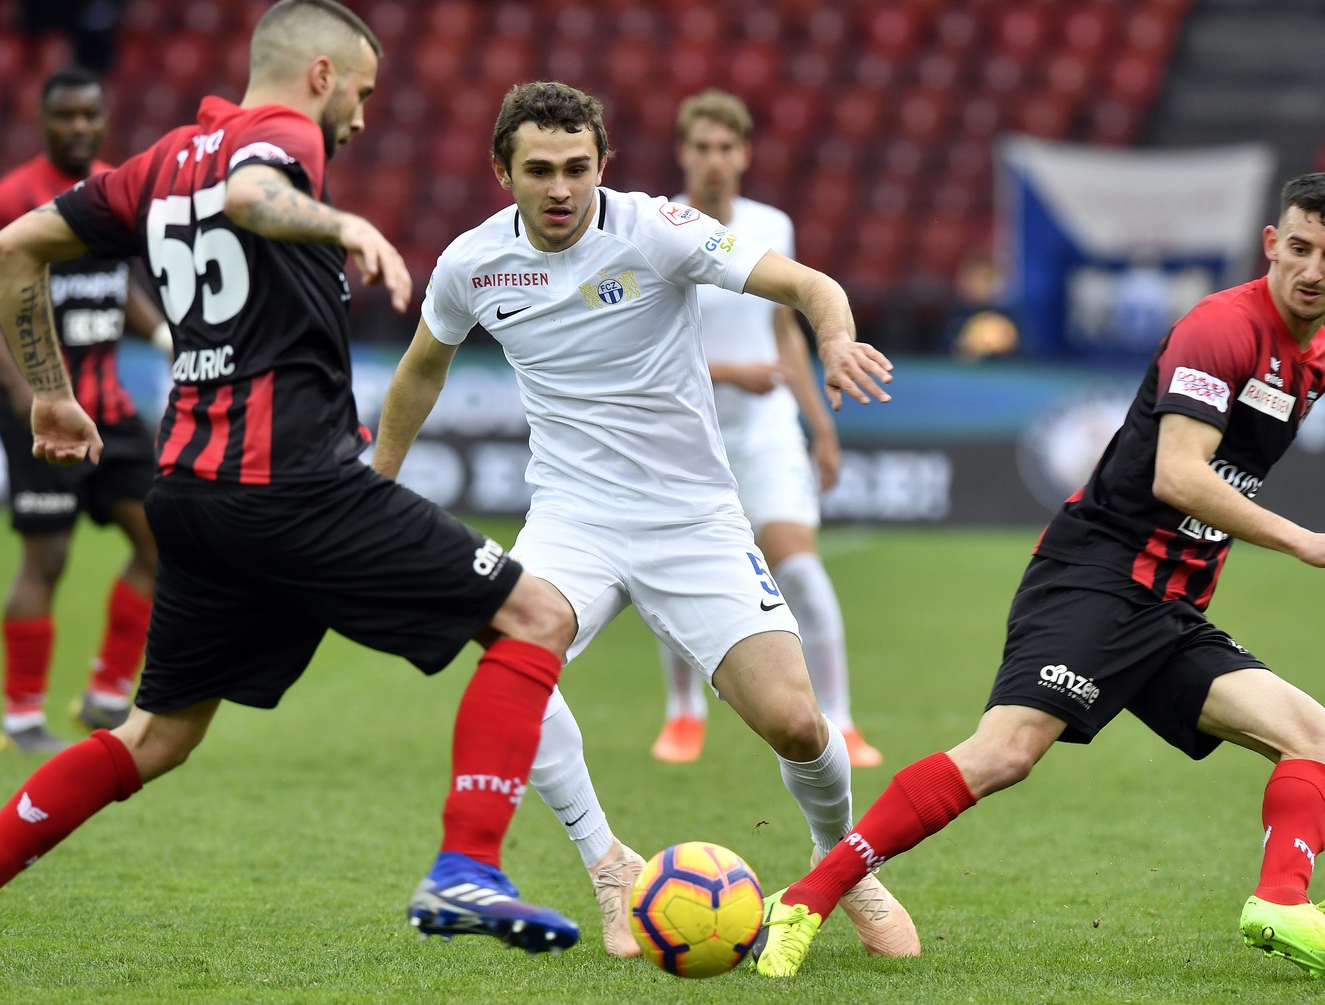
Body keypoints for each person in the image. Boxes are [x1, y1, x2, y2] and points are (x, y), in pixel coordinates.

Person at [0, 5, 585, 1002]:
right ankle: (467, 867)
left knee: (157, 734)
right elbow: (257, 195)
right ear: (316, 74)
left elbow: (14, 249)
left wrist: (49, 392)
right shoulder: (282, 139)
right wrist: (340, 221)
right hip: (291, 484)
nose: (358, 121)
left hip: (192, 496)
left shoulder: (159, 161)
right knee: (536, 616)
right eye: (361, 93)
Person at [753, 172, 1325, 983]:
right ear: (1271, 243)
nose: (1311, 268)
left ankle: (1282, 903)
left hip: (1169, 606)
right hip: (1097, 573)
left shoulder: (1319, 359)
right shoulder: (1220, 328)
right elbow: (1180, 477)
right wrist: (1305, 541)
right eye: (1297, 247)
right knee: (1007, 751)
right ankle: (807, 897)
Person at [372, 80, 919, 964]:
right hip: (571, 519)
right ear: (501, 172)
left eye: (578, 168)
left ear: (604, 165)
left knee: (797, 724)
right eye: (539, 170)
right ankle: (608, 860)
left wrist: (832, 337)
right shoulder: (470, 263)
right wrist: (379, 483)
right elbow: (420, 371)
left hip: (692, 520)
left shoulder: (656, 229)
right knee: (518, 665)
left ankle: (840, 863)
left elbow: (807, 282)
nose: (560, 188)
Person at [644, 88, 881, 769]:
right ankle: (683, 713)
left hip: (767, 427)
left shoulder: (771, 226)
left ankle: (840, 718)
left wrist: (820, 428)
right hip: (691, 430)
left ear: (745, 154)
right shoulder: (661, 228)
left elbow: (785, 333)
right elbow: (656, 347)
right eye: (702, 147)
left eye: (726, 147)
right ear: (683, 154)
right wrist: (726, 370)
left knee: (800, 567)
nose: (714, 160)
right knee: (678, 576)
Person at [0, 66, 169, 753]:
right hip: (42, 409)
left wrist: (159, 331)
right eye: (67, 117)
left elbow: (120, 281)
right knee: (46, 558)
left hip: (110, 408)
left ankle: (107, 695)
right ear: (44, 122)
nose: (80, 128)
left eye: (91, 116)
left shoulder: (115, 188)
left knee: (161, 539)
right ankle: (22, 717)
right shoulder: (11, 197)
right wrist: (25, 387)